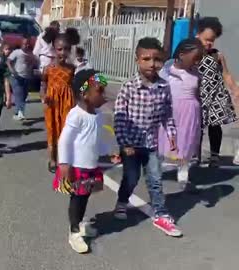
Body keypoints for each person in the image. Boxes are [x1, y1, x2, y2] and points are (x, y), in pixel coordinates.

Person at [114, 37, 182, 237]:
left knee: (155, 178)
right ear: (137, 60)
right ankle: (121, 202)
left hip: (151, 144)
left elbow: (167, 114)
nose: (152, 64)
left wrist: (172, 135)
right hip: (130, 145)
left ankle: (161, 214)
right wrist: (124, 142)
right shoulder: (129, 86)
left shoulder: (164, 87)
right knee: (132, 177)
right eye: (146, 59)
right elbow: (119, 117)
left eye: (157, 59)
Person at [54, 69, 114, 253]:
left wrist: (107, 153)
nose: (103, 95)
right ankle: (73, 232)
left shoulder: (97, 114)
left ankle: (79, 224)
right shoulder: (76, 114)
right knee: (77, 199)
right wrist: (64, 163)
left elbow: (98, 138)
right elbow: (64, 139)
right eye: (99, 91)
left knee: (85, 196)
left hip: (91, 165)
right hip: (77, 166)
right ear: (84, 93)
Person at [158, 38, 204, 190]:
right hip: (172, 111)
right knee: (165, 139)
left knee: (186, 142)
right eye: (195, 58)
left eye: (199, 59)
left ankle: (183, 172)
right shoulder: (167, 70)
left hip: (190, 113)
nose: (197, 62)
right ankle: (155, 168)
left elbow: (197, 93)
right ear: (182, 54)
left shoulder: (195, 73)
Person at [195, 17, 239, 167]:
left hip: (215, 95)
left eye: (212, 40)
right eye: (206, 39)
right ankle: (195, 155)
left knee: (215, 125)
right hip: (198, 95)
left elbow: (226, 74)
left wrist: (235, 90)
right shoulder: (190, 53)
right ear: (198, 34)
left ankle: (214, 155)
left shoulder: (217, 55)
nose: (209, 43)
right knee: (197, 126)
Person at [42, 34, 76, 173]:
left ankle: (65, 159)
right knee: (52, 130)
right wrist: (44, 96)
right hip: (52, 103)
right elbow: (43, 84)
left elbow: (78, 85)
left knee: (66, 131)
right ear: (54, 50)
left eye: (66, 49)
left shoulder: (72, 68)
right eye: (60, 49)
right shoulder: (48, 68)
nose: (63, 52)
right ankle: (52, 159)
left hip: (68, 102)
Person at [7, 35, 37, 121]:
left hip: (27, 77)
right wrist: (13, 71)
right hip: (17, 77)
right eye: (24, 44)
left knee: (24, 95)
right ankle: (20, 112)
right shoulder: (17, 52)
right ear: (21, 44)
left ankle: (18, 112)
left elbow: (33, 63)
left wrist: (32, 71)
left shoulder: (30, 54)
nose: (26, 46)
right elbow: (9, 61)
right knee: (18, 94)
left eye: (28, 44)